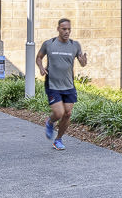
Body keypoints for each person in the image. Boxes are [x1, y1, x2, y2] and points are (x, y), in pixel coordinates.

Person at [36, 18, 88, 151]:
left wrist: (83, 61)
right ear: (58, 29)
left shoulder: (75, 45)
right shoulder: (49, 44)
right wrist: (41, 68)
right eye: (64, 29)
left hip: (69, 85)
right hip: (53, 85)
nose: (67, 32)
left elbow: (82, 61)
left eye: (69, 29)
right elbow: (39, 57)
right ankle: (50, 121)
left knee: (68, 114)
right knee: (59, 113)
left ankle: (58, 139)